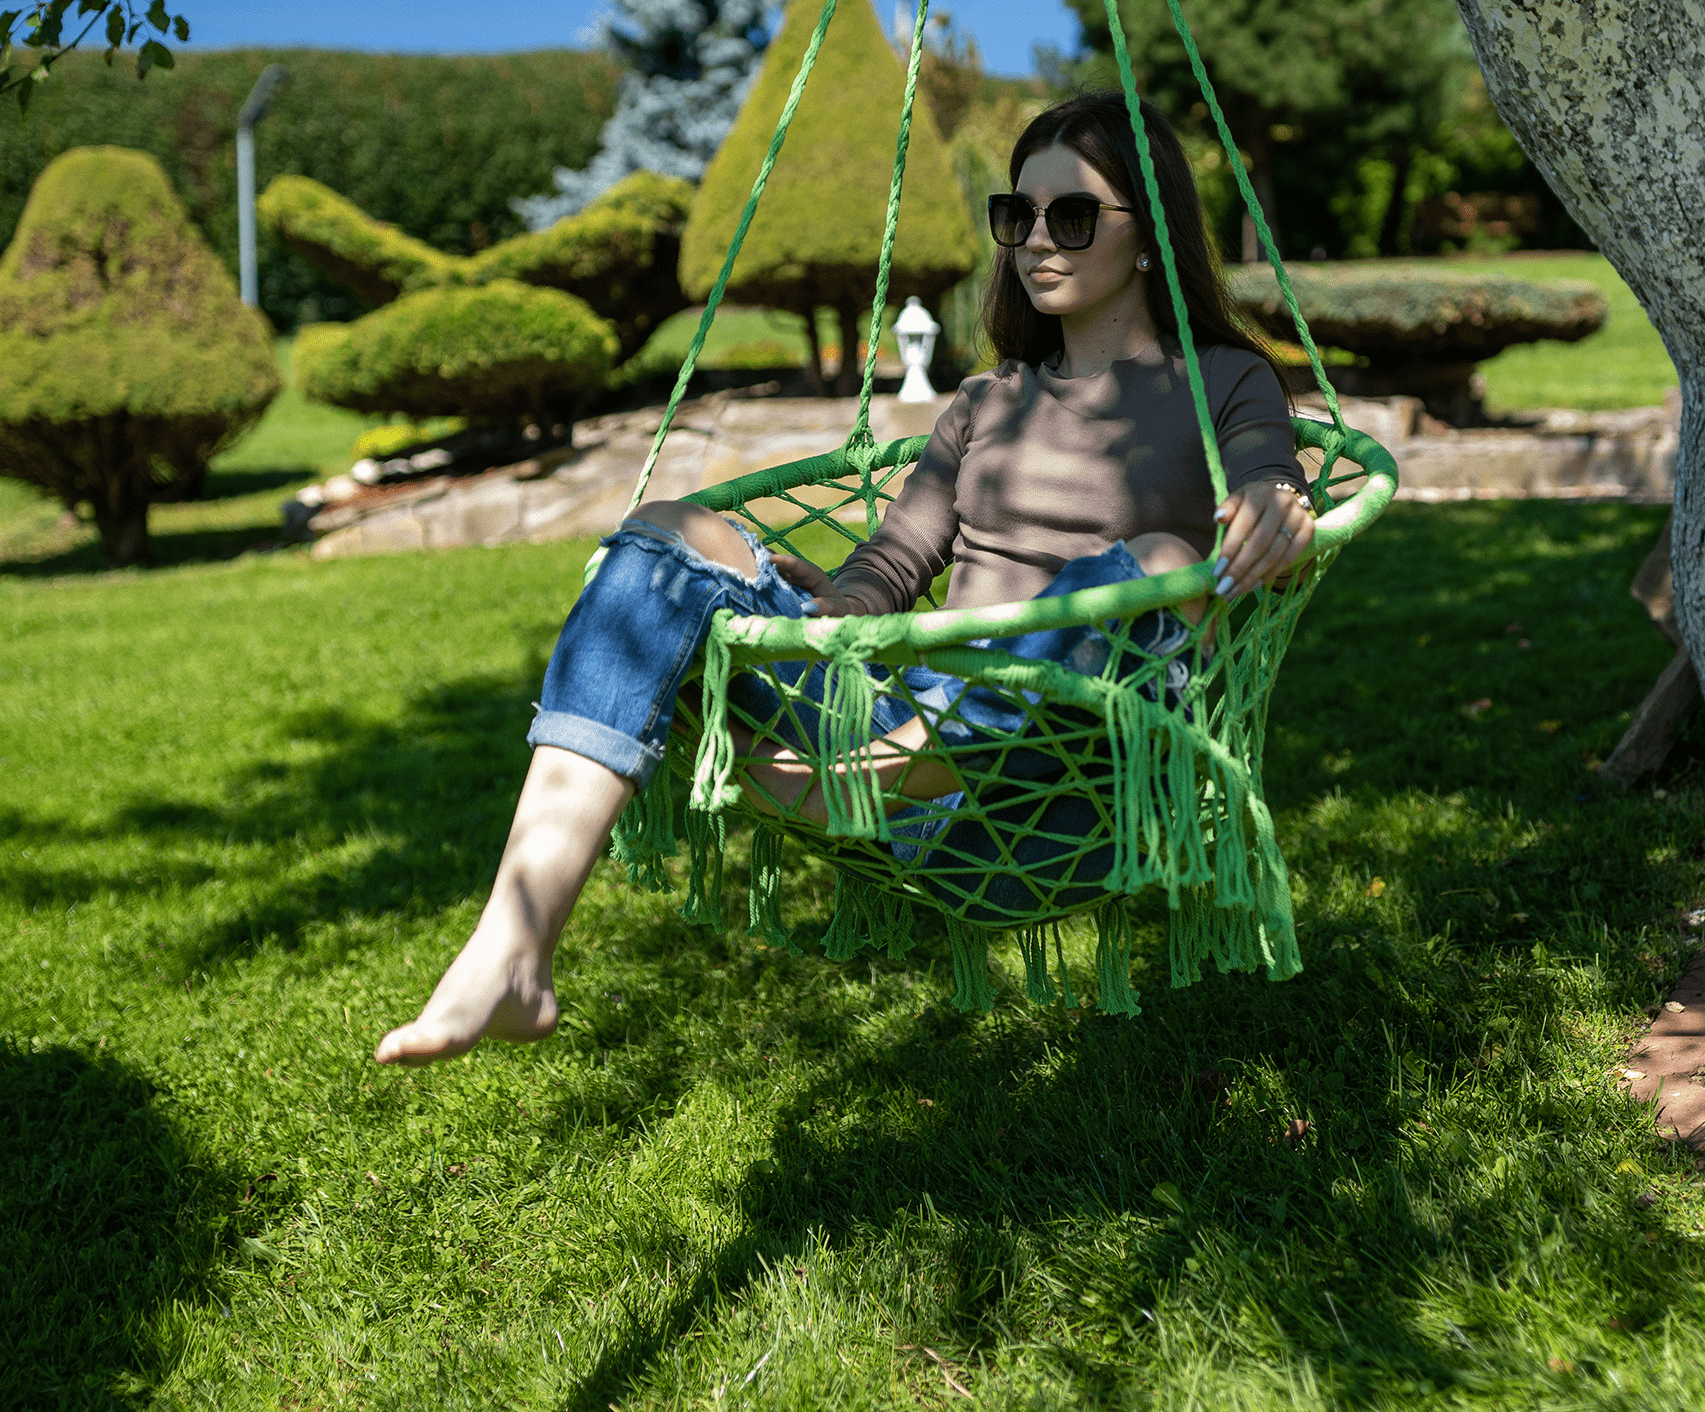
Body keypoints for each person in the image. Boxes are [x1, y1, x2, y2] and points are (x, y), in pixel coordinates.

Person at [376, 92, 1319, 1065]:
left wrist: (1273, 501)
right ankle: (513, 945)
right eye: (1017, 215)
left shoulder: (1221, 379)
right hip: (909, 717)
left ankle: (869, 780)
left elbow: (1266, 475)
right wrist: (827, 605)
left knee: (1164, 564)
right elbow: (894, 559)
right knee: (665, 534)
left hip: (1068, 779)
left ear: (1149, 232)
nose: (1036, 239)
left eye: (1071, 215)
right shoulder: (984, 401)